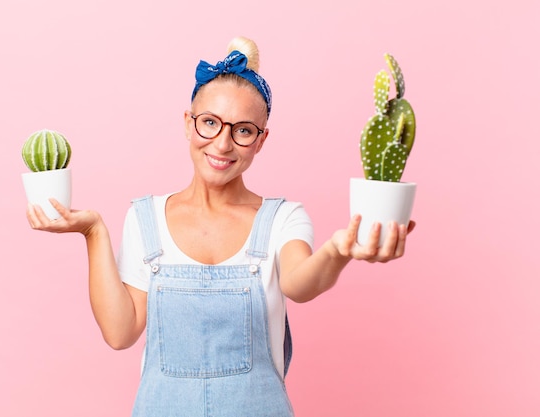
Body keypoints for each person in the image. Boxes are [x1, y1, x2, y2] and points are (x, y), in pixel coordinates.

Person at [26, 36, 415, 417]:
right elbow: (119, 332)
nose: (223, 144)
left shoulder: (282, 218)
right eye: (210, 123)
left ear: (261, 140)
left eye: (243, 130)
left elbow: (299, 284)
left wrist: (338, 250)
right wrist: (93, 231)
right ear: (187, 123)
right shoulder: (145, 219)